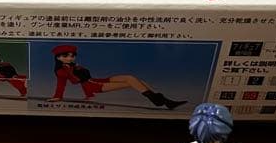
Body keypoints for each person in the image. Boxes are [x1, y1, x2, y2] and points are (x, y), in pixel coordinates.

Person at [48, 44, 186, 109]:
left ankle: (162, 100)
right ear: (58, 57)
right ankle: (160, 100)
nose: (70, 58)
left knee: (133, 78)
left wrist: (76, 68)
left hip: (96, 80)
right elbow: (68, 83)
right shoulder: (62, 70)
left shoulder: (72, 65)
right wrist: (58, 96)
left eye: (72, 55)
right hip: (94, 85)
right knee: (131, 82)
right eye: (66, 56)